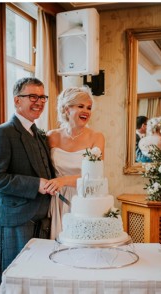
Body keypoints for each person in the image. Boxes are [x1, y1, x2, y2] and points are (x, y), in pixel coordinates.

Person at [0, 77, 56, 284]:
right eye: (32, 96)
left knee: (36, 281)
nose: (39, 101)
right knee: (17, 283)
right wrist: (36, 184)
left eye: (42, 97)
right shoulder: (2, 133)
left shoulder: (39, 134)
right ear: (17, 100)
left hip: (42, 221)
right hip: (16, 221)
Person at [43, 86, 106, 240]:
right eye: (80, 106)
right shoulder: (52, 136)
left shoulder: (96, 137)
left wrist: (63, 180)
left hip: (85, 198)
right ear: (66, 109)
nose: (86, 111)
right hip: (58, 200)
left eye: (89, 107)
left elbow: (95, 176)